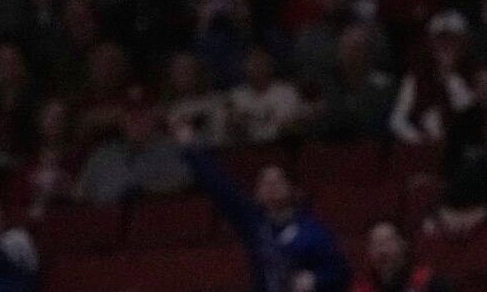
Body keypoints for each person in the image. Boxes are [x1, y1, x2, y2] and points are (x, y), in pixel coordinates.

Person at [174, 118, 351, 292]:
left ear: (292, 190)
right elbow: (220, 187)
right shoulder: (253, 223)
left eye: (277, 182)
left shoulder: (313, 231)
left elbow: (340, 271)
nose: (271, 187)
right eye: (265, 183)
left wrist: (316, 279)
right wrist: (190, 148)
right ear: (257, 193)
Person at [353, 219, 453, 292]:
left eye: (388, 242)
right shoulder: (361, 287)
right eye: (375, 243)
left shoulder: (429, 282)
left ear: (403, 244)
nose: (382, 250)